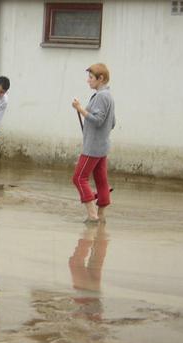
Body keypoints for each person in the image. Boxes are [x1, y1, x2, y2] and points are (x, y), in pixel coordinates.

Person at [71, 63, 115, 223]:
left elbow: (98, 120)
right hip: (102, 146)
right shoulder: (108, 96)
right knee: (101, 180)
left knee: (79, 178)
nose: (88, 80)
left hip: (93, 148)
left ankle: (92, 215)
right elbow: (112, 123)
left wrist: (80, 109)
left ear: (100, 78)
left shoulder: (102, 96)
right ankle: (101, 216)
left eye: (91, 77)